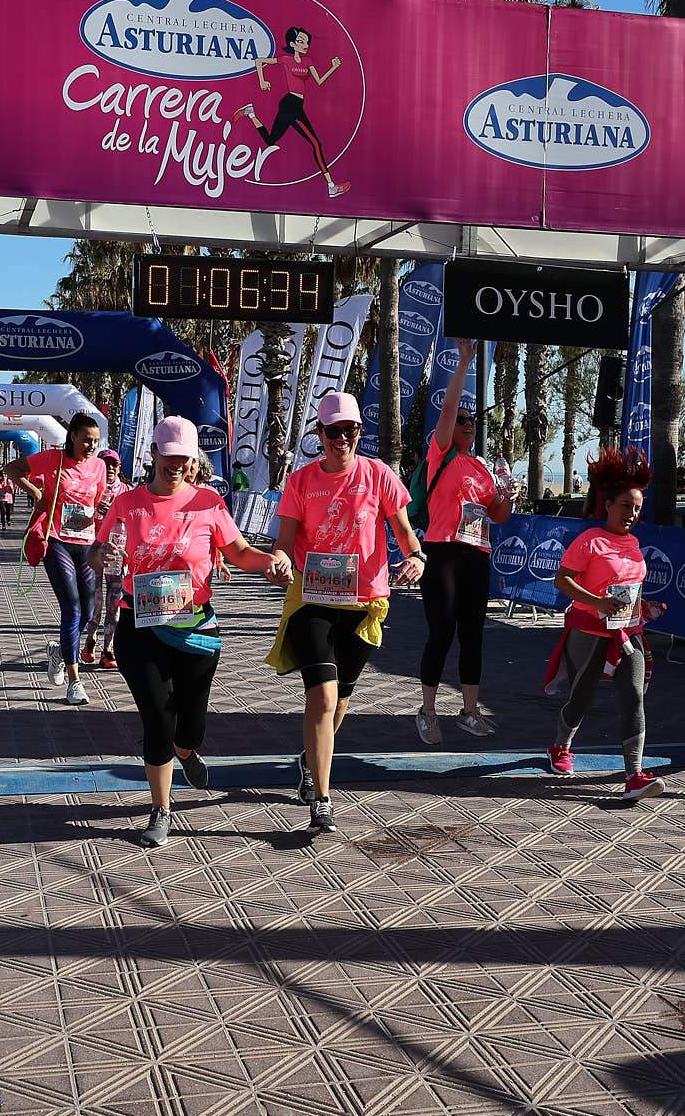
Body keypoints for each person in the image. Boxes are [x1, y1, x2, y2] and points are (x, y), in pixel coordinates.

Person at [98, 417, 292, 846]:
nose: (177, 465)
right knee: (157, 716)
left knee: (192, 726)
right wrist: (103, 554)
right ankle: (160, 809)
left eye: (184, 458)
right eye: (169, 456)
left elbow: (238, 552)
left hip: (195, 629)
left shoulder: (208, 502)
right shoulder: (128, 504)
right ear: (153, 455)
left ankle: (186, 750)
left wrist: (273, 562)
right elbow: (99, 554)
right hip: (140, 625)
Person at [268, 391, 424, 833]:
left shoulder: (378, 475)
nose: (342, 439)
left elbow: (406, 534)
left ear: (359, 432)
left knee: (341, 702)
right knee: (322, 696)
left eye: (350, 430)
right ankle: (322, 799)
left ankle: (309, 758)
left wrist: (417, 558)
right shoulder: (300, 482)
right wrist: (279, 560)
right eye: (333, 431)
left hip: (364, 602)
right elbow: (284, 542)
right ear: (319, 434)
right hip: (313, 600)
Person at [547, 450, 665, 802]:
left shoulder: (634, 544)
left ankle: (634, 775)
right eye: (627, 506)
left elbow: (629, 587)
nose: (633, 514)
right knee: (581, 698)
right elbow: (562, 581)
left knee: (633, 696)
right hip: (589, 630)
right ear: (609, 504)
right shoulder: (590, 541)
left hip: (628, 633)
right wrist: (597, 602)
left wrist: (644, 606)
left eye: (638, 508)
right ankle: (560, 746)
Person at [413, 339, 512, 745]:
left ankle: (469, 711)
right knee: (442, 632)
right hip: (442, 552)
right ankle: (428, 710)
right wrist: (465, 364)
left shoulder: (484, 467)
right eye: (462, 420)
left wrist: (505, 495)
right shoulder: (441, 454)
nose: (467, 424)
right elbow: (450, 407)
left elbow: (499, 515)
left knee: (474, 633)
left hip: (476, 554)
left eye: (472, 422)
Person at [11, 414, 111, 705]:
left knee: (90, 610)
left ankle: (60, 650)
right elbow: (13, 469)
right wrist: (37, 493)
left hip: (88, 544)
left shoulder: (99, 466)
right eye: (86, 440)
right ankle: (75, 680)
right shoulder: (52, 459)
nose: (91, 446)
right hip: (57, 541)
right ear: (72, 438)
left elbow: (97, 501)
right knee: (72, 606)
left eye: (95, 441)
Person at [238, 26, 351, 198]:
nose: (305, 44)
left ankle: (251, 113)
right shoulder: (286, 59)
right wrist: (262, 80)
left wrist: (333, 67)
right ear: (292, 44)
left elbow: (319, 81)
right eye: (300, 41)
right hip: (290, 104)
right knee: (315, 143)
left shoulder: (308, 61)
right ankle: (331, 186)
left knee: (270, 140)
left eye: (306, 42)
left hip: (297, 105)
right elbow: (259, 61)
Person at [86, 449, 127, 668]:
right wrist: (93, 509)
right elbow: (75, 518)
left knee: (114, 605)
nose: (110, 468)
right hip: (93, 553)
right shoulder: (89, 488)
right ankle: (90, 639)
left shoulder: (126, 491)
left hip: (117, 555)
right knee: (96, 604)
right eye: (105, 464)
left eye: (114, 464)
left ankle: (107, 650)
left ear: (119, 468)